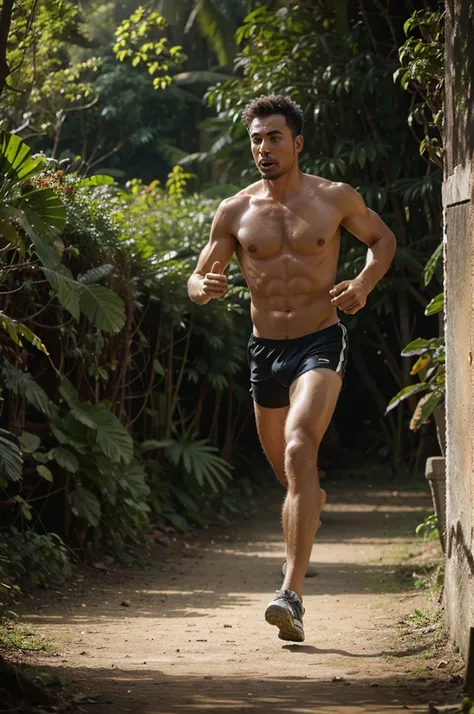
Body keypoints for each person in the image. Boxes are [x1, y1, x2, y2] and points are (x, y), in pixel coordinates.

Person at [187, 95, 396, 643]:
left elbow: (382, 241)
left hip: (319, 341)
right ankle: (312, 507)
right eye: (256, 138)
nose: (263, 148)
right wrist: (203, 287)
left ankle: (291, 593)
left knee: (301, 446)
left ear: (297, 142)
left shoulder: (334, 198)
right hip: (263, 352)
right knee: (288, 473)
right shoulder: (235, 210)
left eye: (274, 137)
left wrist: (363, 285)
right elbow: (198, 274)